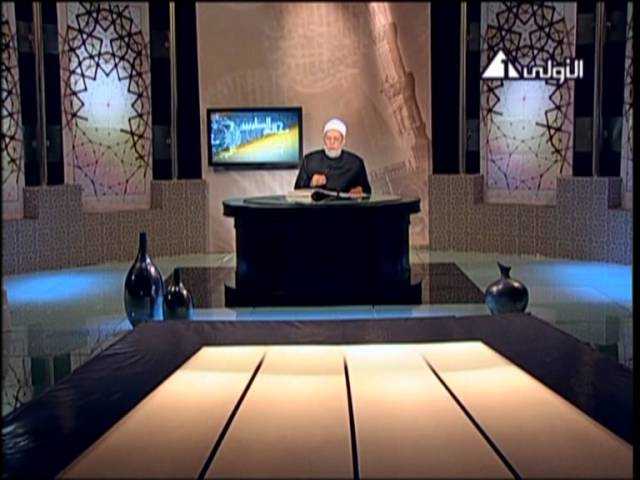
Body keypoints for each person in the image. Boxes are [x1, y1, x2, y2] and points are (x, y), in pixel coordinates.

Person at [294, 118, 372, 195]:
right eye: (328, 138)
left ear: (343, 141)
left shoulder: (356, 163)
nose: (332, 142)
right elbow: (296, 192)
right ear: (324, 140)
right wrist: (311, 183)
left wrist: (360, 192)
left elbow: (367, 192)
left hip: (346, 203)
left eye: (336, 139)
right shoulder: (309, 161)